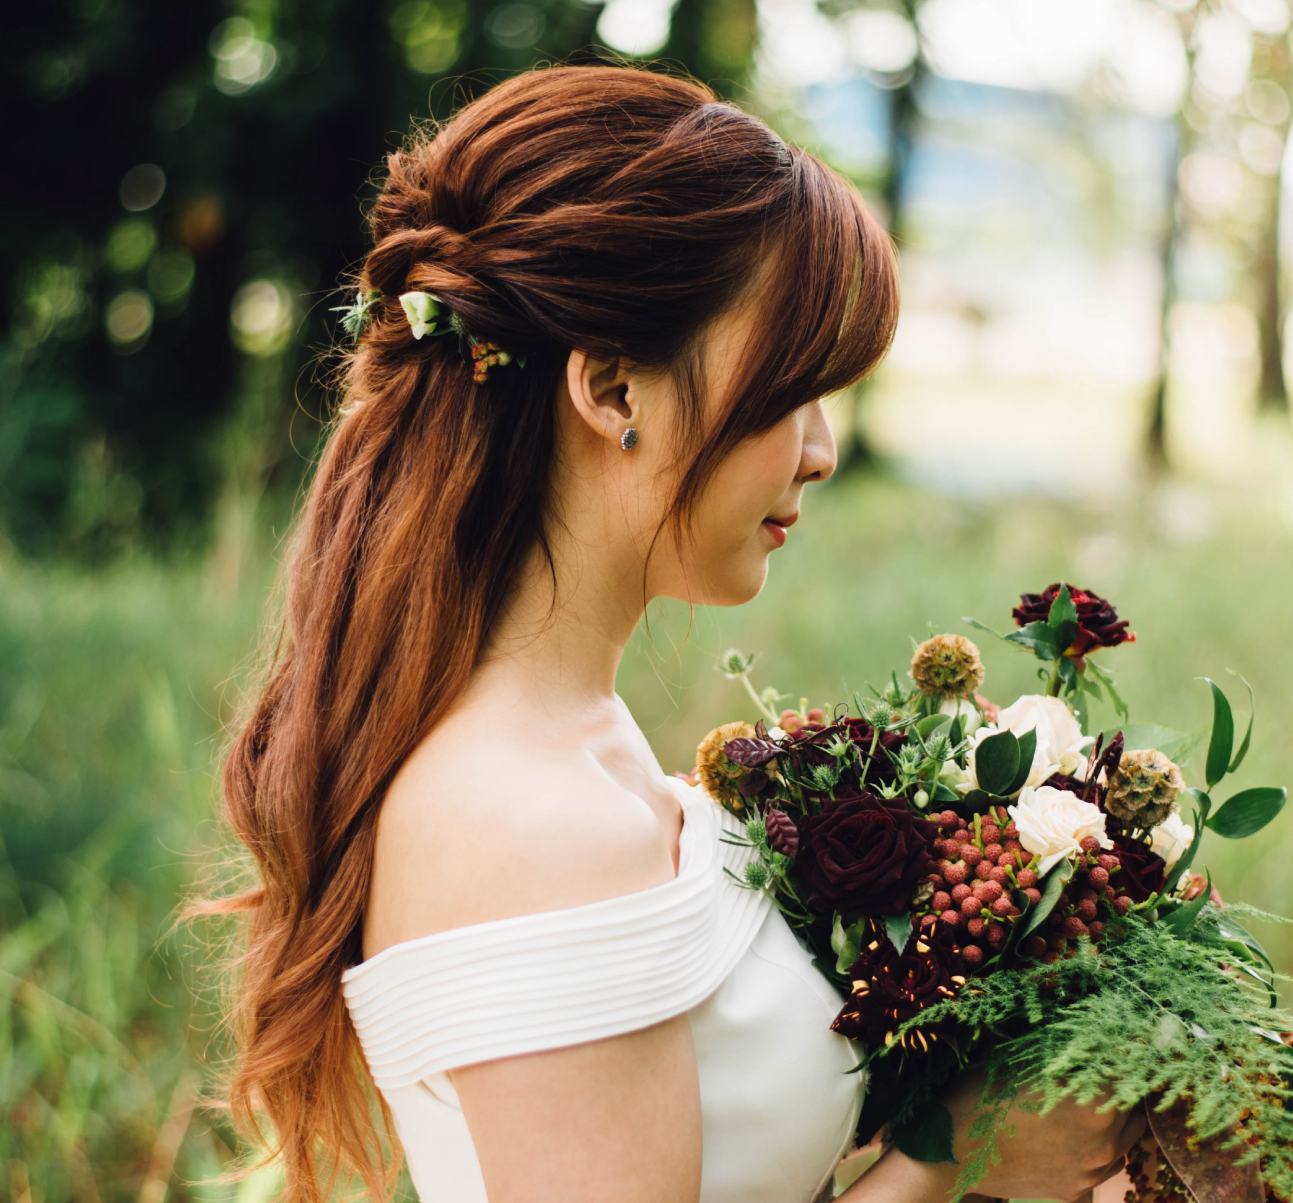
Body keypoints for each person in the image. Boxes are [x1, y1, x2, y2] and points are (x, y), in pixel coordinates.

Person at [214, 66, 1144, 1203]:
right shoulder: (528, 826)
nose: (821, 449)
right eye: (795, 387)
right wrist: (969, 1162)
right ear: (613, 389)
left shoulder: (584, 745)